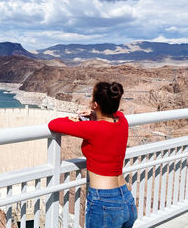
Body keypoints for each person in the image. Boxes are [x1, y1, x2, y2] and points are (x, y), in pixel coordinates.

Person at [48, 82, 137, 228]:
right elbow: (115, 114)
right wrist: (94, 113)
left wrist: (76, 119)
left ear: (95, 104)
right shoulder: (122, 121)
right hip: (126, 199)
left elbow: (54, 124)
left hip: (104, 203)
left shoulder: (93, 128)